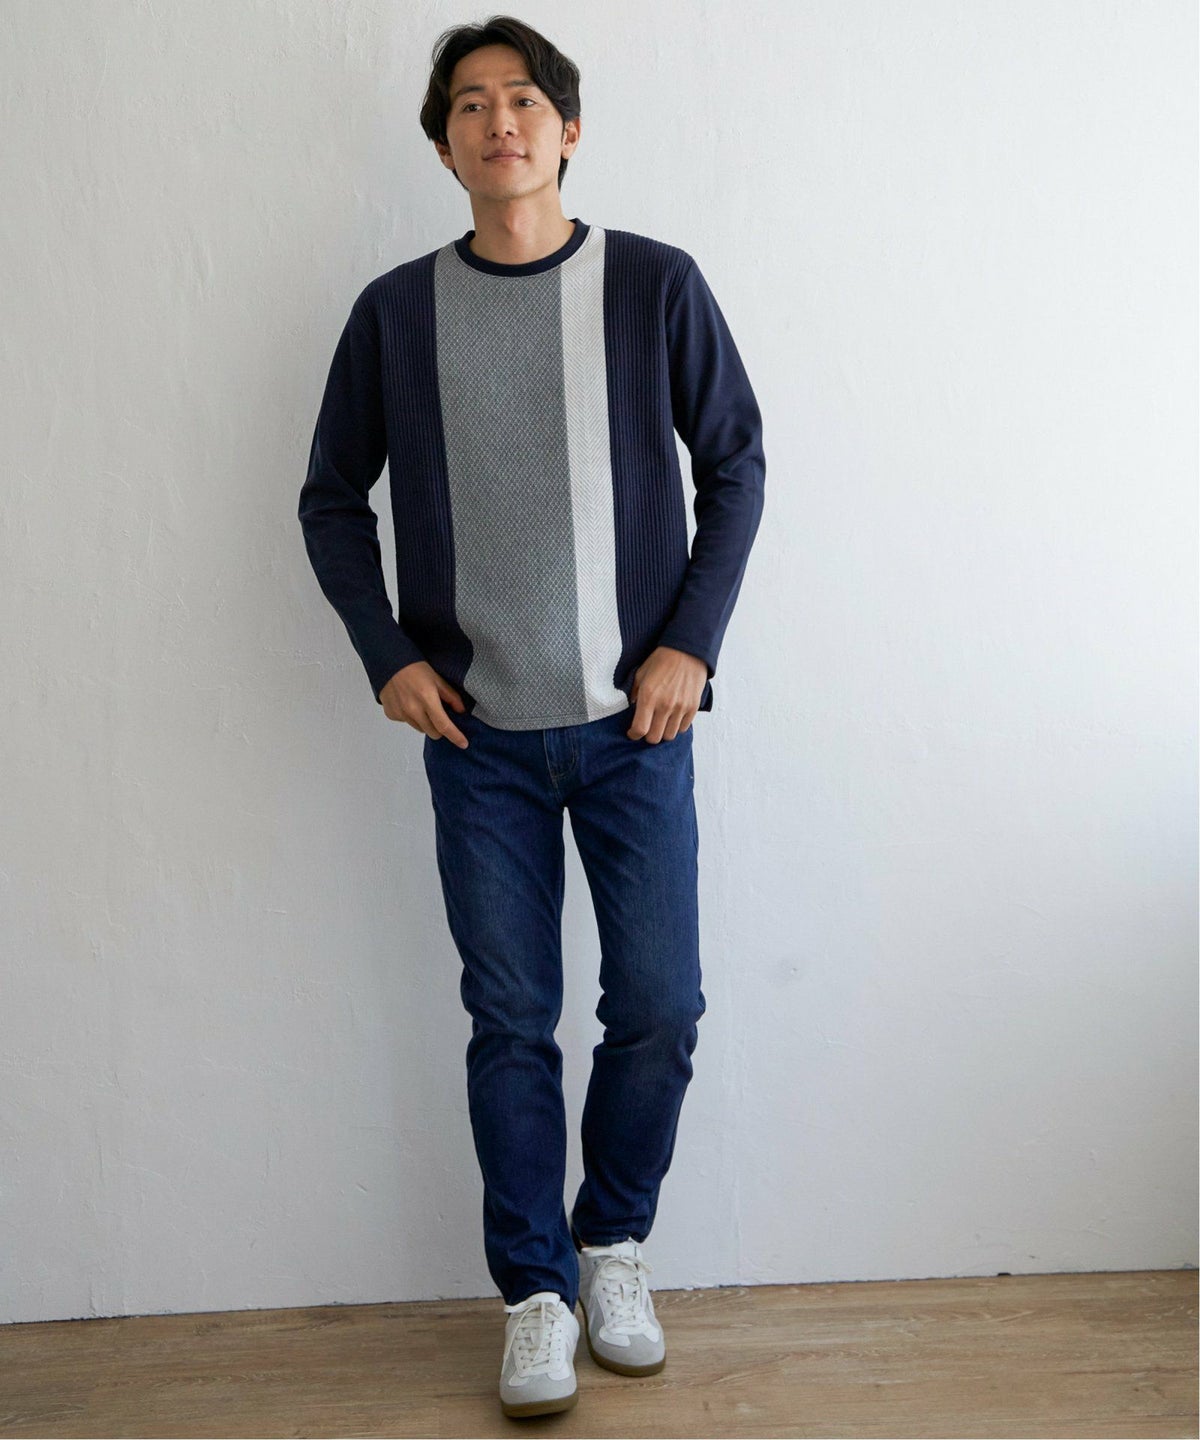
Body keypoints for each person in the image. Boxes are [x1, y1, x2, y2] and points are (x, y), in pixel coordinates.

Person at [297, 13, 766, 1421]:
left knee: (661, 1006)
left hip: (637, 731)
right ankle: (536, 1296)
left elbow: (736, 466)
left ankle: (612, 1243)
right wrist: (388, 655)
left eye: (522, 101)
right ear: (445, 145)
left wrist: (689, 645)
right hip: (480, 740)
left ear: (567, 131)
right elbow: (331, 500)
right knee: (511, 1020)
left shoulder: (655, 287)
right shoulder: (395, 313)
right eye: (469, 105)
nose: (497, 122)